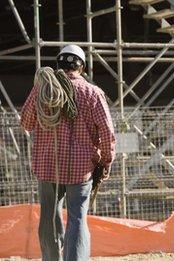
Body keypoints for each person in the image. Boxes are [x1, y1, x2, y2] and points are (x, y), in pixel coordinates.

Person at [21, 44, 115, 261]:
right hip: (81, 170)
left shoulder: (42, 90)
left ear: (58, 64)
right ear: (81, 67)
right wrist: (106, 160)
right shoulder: (93, 93)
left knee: (49, 219)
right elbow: (108, 132)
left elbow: (26, 122)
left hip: (47, 167)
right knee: (78, 218)